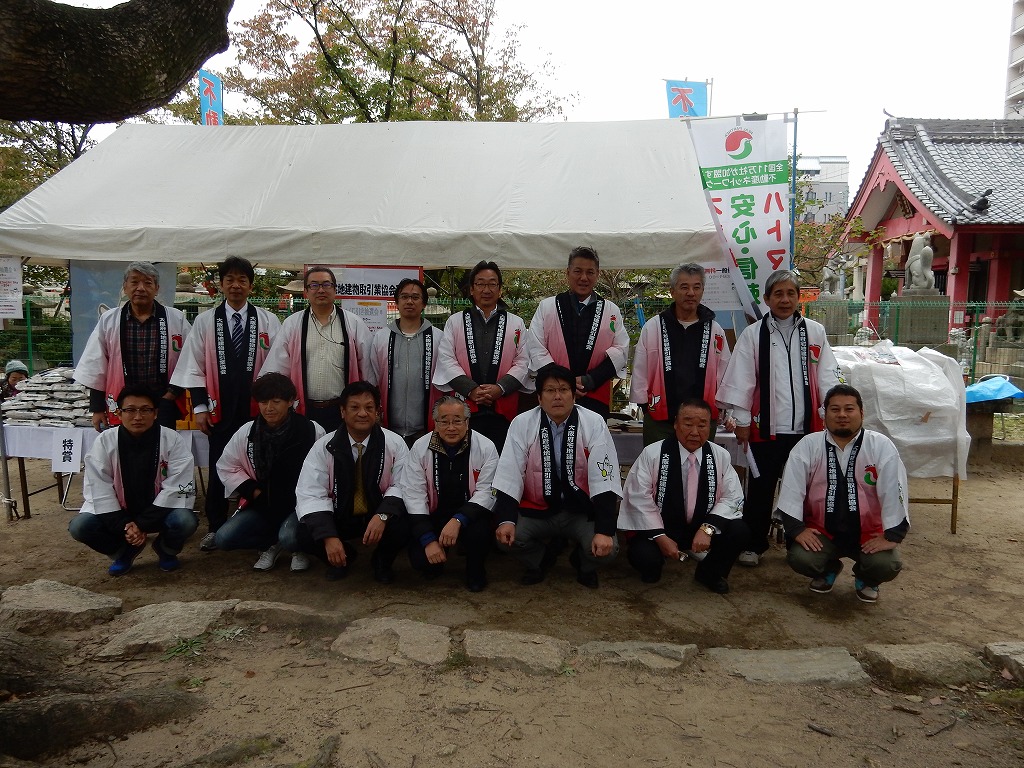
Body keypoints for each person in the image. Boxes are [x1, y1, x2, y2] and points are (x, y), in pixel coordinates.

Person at [716, 269, 843, 568]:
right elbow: (743, 379)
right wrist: (743, 421)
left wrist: (829, 411)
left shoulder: (815, 332)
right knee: (761, 488)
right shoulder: (753, 334)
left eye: (790, 293)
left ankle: (804, 544)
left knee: (807, 489)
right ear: (767, 298)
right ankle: (754, 544)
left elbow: (827, 374)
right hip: (766, 428)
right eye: (778, 294)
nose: (785, 300)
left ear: (799, 297)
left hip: (807, 429)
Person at [170, 256, 282, 550]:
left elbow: (278, 364)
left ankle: (260, 524)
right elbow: (193, 367)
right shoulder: (206, 321)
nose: (235, 285)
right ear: (221, 284)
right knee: (220, 466)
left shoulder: (268, 320)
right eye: (229, 279)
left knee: (262, 467)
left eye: (242, 280)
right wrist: (199, 408)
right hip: (219, 409)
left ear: (250, 285)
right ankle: (215, 525)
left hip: (258, 410)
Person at [491, 364, 623, 588]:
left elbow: (605, 478)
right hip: (538, 508)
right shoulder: (522, 423)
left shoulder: (593, 422)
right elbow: (509, 474)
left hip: (580, 510)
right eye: (550, 390)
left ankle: (583, 563)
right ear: (539, 398)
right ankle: (541, 559)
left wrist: (604, 531)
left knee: (608, 548)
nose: (558, 396)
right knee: (507, 538)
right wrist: (506, 520)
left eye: (563, 390)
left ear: (574, 395)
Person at [776, 384, 909, 603]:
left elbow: (894, 490)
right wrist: (797, 529)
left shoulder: (881, 446)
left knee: (886, 564)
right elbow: (792, 489)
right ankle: (828, 569)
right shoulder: (808, 445)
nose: (842, 415)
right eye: (835, 409)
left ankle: (867, 578)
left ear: (861, 413)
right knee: (800, 558)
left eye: (849, 409)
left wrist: (892, 535)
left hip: (869, 532)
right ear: (825, 414)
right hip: (822, 531)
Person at [618, 399, 748, 593]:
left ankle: (709, 573)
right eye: (688, 424)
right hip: (663, 526)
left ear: (710, 427)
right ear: (676, 424)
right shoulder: (653, 453)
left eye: (702, 425)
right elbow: (638, 497)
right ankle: (655, 564)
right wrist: (661, 537)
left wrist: (708, 529)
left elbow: (732, 497)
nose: (695, 432)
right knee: (644, 557)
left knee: (739, 530)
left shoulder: (720, 455)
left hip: (701, 526)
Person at [68, 384, 198, 575]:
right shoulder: (105, 441)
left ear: (156, 413)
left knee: (185, 521)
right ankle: (123, 552)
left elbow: (178, 487)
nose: (138, 417)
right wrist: (125, 526)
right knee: (80, 526)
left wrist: (141, 524)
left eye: (145, 410)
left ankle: (166, 549)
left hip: (159, 510)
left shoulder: (172, 439)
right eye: (130, 410)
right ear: (119, 413)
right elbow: (99, 487)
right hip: (119, 511)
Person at [294, 381, 410, 583]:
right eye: (355, 407)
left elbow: (403, 484)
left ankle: (382, 561)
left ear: (377, 411)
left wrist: (383, 515)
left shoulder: (395, 443)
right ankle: (342, 558)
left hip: (377, 512)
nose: (362, 413)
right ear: (342, 411)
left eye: (369, 407)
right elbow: (311, 493)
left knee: (405, 521)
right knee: (304, 533)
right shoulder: (324, 446)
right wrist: (329, 537)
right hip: (341, 514)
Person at [214, 373, 325, 572]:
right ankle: (271, 543)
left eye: (276, 401)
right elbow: (227, 465)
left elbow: (326, 469)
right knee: (224, 538)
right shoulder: (247, 432)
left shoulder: (311, 430)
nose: (269, 408)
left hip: (300, 505)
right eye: (263, 402)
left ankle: (296, 547)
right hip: (263, 503)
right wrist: (253, 491)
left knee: (289, 537)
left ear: (290, 401)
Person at [75, 262, 192, 430]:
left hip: (163, 403)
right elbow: (96, 364)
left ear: (157, 288)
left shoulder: (176, 319)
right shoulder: (109, 320)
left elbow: (189, 360)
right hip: (123, 405)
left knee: (163, 446)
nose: (141, 288)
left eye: (148, 283)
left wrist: (171, 395)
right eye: (135, 282)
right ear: (125, 287)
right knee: (123, 446)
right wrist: (97, 407)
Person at [401, 396, 498, 592]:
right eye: (444, 421)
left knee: (479, 532)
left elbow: (488, 491)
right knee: (420, 560)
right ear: (435, 423)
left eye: (457, 421)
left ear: (467, 422)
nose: (451, 427)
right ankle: (435, 562)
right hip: (435, 513)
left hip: (469, 514)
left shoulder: (485, 447)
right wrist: (428, 539)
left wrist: (458, 520)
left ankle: (475, 571)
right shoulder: (420, 447)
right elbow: (413, 494)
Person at [433, 261, 531, 452]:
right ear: (472, 289)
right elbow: (446, 359)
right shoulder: (455, 321)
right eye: (481, 284)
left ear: (500, 289)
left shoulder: (516, 323)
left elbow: (523, 361)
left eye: (492, 284)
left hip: (502, 407)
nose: (486, 289)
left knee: (503, 458)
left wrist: (500, 388)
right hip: (465, 407)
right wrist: (471, 389)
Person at [630, 263, 732, 445]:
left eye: (696, 287)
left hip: (702, 421)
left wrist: (724, 408)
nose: (691, 293)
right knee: (659, 462)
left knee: (698, 463)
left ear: (702, 291)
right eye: (684, 287)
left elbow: (725, 372)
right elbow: (640, 370)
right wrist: (644, 405)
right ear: (672, 291)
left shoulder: (715, 331)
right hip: (660, 419)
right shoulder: (654, 327)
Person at [260, 266, 371, 433]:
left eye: (326, 284)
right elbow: (278, 368)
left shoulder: (354, 323)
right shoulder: (292, 324)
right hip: (303, 409)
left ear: (335, 289)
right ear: (306, 291)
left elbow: (367, 368)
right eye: (314, 285)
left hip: (343, 409)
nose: (320, 290)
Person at [526, 246, 630, 418]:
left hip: (594, 394)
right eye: (578, 271)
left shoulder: (610, 310)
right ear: (568, 273)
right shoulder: (547, 307)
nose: (583, 278)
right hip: (555, 395)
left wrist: (590, 380)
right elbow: (535, 347)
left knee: (591, 435)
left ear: (597, 274)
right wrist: (565, 383)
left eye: (590, 272)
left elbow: (621, 351)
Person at [366, 278, 443, 446]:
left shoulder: (438, 338)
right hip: (389, 427)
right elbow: (373, 378)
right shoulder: (382, 337)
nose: (409, 301)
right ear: (397, 302)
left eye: (415, 297)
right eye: (404, 297)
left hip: (426, 427)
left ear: (424, 304)